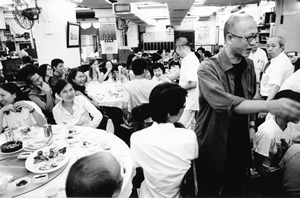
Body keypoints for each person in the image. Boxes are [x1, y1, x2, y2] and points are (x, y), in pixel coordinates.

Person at [195, 13, 300, 197]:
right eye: (249, 38)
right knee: (209, 191)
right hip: (213, 145)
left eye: (256, 37)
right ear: (229, 38)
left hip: (239, 143)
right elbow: (224, 103)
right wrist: (270, 106)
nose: (255, 43)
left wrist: (251, 126)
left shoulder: (249, 66)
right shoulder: (208, 68)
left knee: (235, 189)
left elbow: (249, 96)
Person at [130, 83, 198, 198]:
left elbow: (136, 166)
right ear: (169, 113)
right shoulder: (189, 136)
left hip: (150, 194)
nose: (183, 109)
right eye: (183, 106)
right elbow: (193, 158)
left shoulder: (137, 138)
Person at [254, 90, 300, 192]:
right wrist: (274, 187)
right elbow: (257, 164)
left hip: (279, 171)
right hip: (267, 177)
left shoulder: (288, 126)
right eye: (297, 108)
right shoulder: (268, 132)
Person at [122, 58, 159, 126]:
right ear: (145, 70)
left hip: (138, 121)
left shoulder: (128, 85)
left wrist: (126, 118)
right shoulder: (154, 84)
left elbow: (124, 107)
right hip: (154, 119)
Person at [175, 37, 199, 130]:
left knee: (183, 128)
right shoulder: (187, 59)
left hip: (189, 102)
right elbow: (181, 74)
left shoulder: (191, 60)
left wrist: (176, 89)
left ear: (179, 47)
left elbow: (193, 84)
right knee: (190, 128)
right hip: (187, 100)